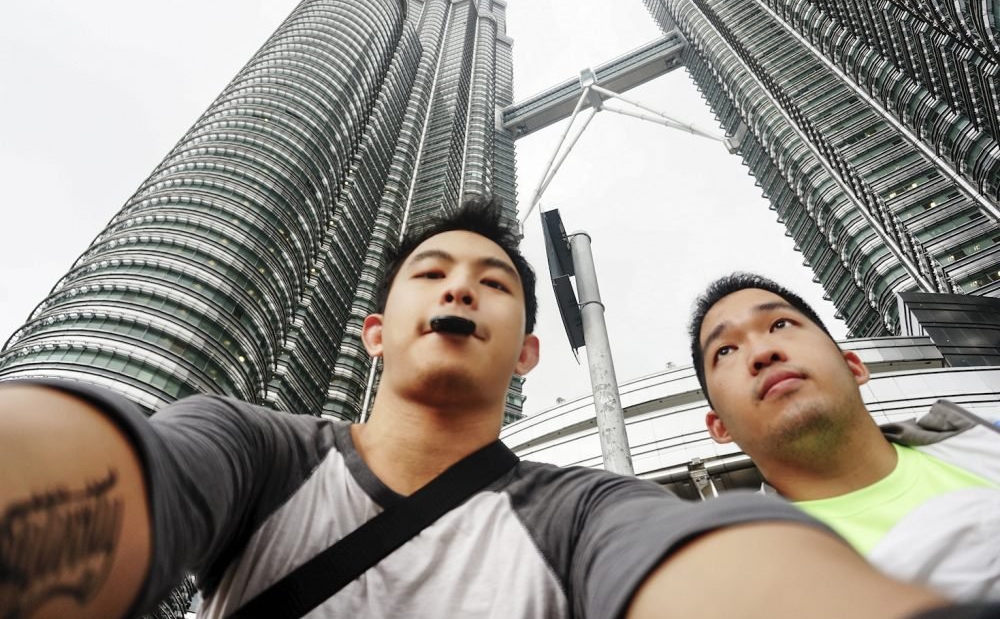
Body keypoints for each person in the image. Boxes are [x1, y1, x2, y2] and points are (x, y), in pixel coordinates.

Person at [0, 202, 954, 619]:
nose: (462, 288)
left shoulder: (579, 512)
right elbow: (121, 474)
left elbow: (704, 561)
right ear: (377, 330)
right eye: (433, 272)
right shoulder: (259, 450)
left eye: (494, 281)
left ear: (527, 350)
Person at [689, 272, 1000, 602]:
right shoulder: (736, 586)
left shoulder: (986, 439)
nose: (762, 353)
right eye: (725, 350)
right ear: (720, 427)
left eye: (780, 325)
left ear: (853, 366)